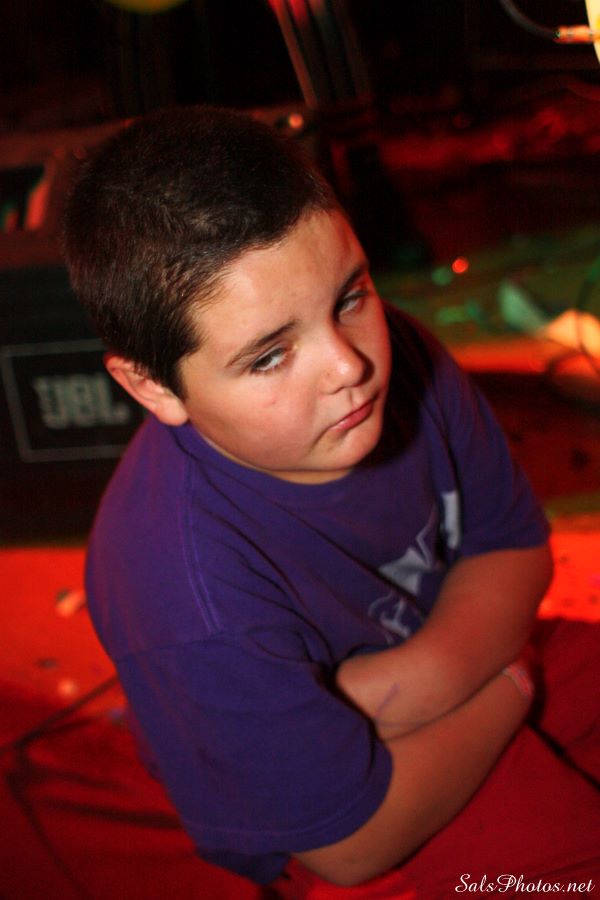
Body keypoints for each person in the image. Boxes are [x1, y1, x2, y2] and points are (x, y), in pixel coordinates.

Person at [62, 106, 600, 897]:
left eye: (350, 297)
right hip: (361, 806)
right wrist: (508, 687)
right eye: (269, 355)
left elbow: (516, 548)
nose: (348, 365)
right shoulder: (179, 586)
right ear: (151, 387)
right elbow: (347, 847)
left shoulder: (405, 355)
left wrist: (415, 682)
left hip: (455, 662)